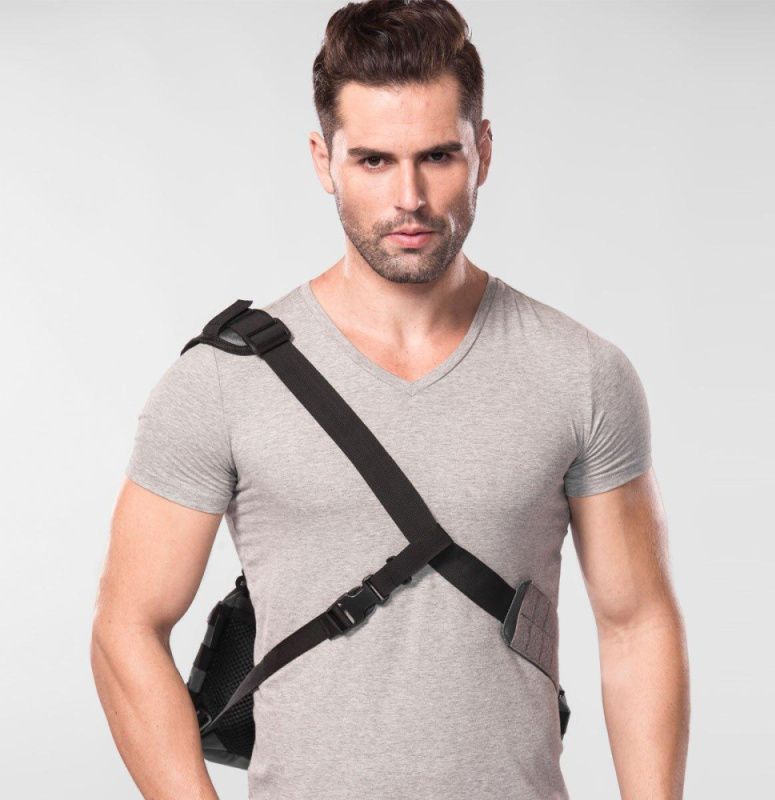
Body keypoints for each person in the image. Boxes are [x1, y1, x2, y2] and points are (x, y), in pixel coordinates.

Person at [90, 1, 690, 798]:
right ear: (323, 160)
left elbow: (637, 623)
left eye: (438, 155)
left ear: (482, 150)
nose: (409, 196)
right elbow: (126, 627)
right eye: (373, 160)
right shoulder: (224, 381)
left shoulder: (579, 372)